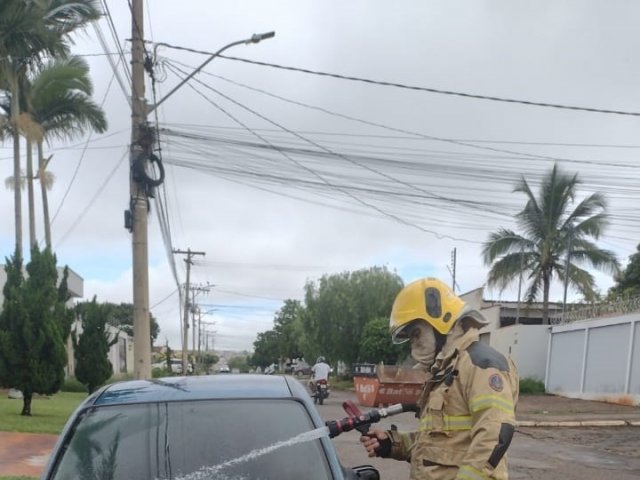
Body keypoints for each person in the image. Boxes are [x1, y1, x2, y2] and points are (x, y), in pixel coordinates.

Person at [360, 278, 518, 480]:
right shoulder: (445, 373)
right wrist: (392, 443)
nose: (413, 346)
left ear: (440, 321)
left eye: (416, 334)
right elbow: (435, 443)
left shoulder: (481, 364)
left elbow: (494, 436)